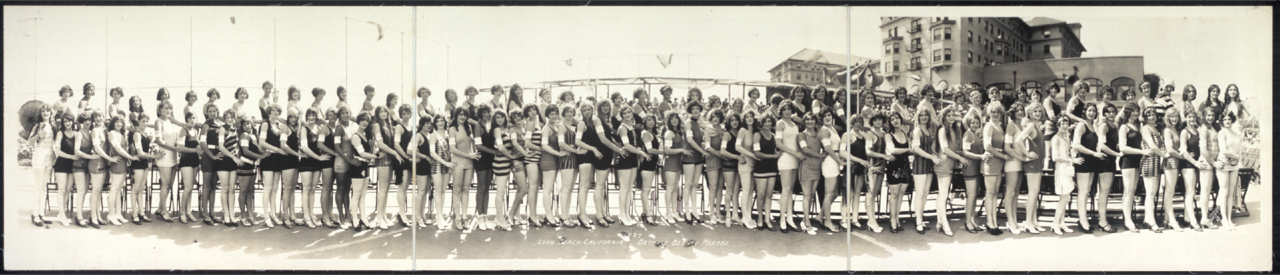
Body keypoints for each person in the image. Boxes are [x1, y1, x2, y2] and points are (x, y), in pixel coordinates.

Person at [298, 107, 332, 228]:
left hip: (316, 163)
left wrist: (320, 157)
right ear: (306, 116)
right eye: (310, 115)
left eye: (314, 115)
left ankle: (311, 214)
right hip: (307, 162)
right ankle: (306, 216)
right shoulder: (304, 128)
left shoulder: (318, 128)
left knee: (313, 190)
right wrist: (319, 158)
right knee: (306, 189)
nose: (311, 118)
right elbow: (304, 147)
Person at [448, 108, 481, 230]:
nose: (462, 117)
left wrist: (472, 154)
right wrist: (468, 155)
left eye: (465, 115)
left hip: (469, 163)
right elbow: (452, 149)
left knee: (466, 190)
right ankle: (457, 218)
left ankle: (465, 217)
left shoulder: (469, 128)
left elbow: (473, 144)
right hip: (458, 162)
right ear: (456, 116)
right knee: (457, 190)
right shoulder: (452, 129)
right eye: (460, 115)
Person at [980, 102, 1009, 235]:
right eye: (993, 112)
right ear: (989, 113)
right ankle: (989, 222)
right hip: (992, 161)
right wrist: (1003, 156)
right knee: (990, 192)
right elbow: (987, 146)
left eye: (997, 112)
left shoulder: (1000, 126)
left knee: (995, 192)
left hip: (1000, 161)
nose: (995, 114)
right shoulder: (988, 126)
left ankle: (994, 221)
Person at [1049, 115, 1081, 235]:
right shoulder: (1056, 138)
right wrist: (1071, 161)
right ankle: (1055, 223)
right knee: (1065, 198)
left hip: (1068, 170)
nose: (1064, 125)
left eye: (1066, 123)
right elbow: (1055, 157)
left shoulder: (1066, 138)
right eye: (1062, 123)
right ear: (1057, 124)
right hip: (1062, 170)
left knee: (1065, 198)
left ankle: (1061, 223)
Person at [615, 106, 647, 226]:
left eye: (629, 112)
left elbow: (633, 144)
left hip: (633, 160)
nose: (628, 114)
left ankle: (627, 214)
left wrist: (638, 149)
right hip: (624, 160)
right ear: (622, 116)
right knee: (624, 188)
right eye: (625, 113)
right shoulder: (622, 128)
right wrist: (641, 152)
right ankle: (622, 214)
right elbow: (627, 145)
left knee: (629, 188)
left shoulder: (631, 127)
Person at [774, 100, 803, 232]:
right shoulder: (780, 123)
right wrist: (794, 153)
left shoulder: (794, 124)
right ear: (781, 110)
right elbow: (778, 144)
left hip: (795, 159)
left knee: (791, 190)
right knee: (785, 190)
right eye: (784, 109)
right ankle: (782, 220)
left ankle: (790, 219)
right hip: (785, 158)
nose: (787, 111)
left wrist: (799, 154)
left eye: (789, 109)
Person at [816, 109, 847, 233]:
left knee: (834, 193)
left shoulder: (833, 129)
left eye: (829, 115)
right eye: (825, 116)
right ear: (821, 118)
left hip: (835, 161)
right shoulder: (824, 130)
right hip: (830, 161)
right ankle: (828, 222)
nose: (827, 117)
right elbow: (828, 149)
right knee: (829, 194)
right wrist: (839, 162)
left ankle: (820, 216)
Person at [1115, 103, 1144, 232]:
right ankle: (1128, 220)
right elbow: (1123, 148)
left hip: (1137, 161)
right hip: (1127, 161)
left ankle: (1128, 217)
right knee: (1128, 190)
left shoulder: (1138, 126)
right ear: (1128, 112)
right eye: (1133, 111)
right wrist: (1141, 152)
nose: (1136, 113)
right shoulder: (1124, 127)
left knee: (1132, 191)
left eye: (1138, 111)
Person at [257, 105, 286, 228]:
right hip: (268, 158)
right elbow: (261, 142)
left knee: (275, 189)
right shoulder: (265, 125)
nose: (275, 112)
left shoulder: (279, 125)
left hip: (278, 159)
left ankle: (273, 214)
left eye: (277, 111)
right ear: (269, 112)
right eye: (273, 110)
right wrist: (277, 149)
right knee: (267, 188)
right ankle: (266, 216)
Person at [1177, 109, 1207, 232]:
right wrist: (1195, 162)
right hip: (1188, 164)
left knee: (1192, 192)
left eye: (1194, 118)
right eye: (1189, 117)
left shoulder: (1198, 131)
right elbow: (1183, 151)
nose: (1192, 120)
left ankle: (1187, 219)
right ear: (1186, 118)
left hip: (1196, 164)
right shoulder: (1185, 132)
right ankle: (1194, 222)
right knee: (1190, 192)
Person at [349, 112, 379, 231]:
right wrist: (376, 156)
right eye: (362, 120)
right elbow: (361, 153)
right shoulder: (356, 136)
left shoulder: (366, 136)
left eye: (367, 120)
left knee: (363, 195)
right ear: (358, 121)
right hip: (358, 166)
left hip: (365, 166)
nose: (365, 122)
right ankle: (355, 219)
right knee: (356, 194)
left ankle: (363, 219)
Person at [214, 110, 245, 227]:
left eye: (231, 117)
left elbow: (237, 146)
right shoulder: (223, 129)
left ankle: (232, 214)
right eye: (227, 117)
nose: (229, 119)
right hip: (224, 161)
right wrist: (233, 157)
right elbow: (221, 147)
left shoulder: (236, 130)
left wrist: (238, 157)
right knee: (225, 189)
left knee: (232, 189)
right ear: (224, 118)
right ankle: (226, 215)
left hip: (233, 162)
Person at [104, 116, 136, 225]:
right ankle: (111, 215)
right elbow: (118, 148)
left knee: (119, 189)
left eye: (121, 122)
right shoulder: (112, 133)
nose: (119, 124)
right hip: (117, 163)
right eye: (116, 122)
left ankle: (118, 213)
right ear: (113, 123)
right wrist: (130, 157)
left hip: (123, 163)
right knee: (114, 189)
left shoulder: (121, 134)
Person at [1138, 107, 1166, 233]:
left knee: (1153, 193)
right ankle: (1152, 222)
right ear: (1145, 117)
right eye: (1148, 114)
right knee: (1150, 193)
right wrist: (1165, 156)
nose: (1151, 116)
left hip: (1156, 162)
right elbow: (1153, 146)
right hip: (1149, 161)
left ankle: (1146, 219)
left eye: (1153, 114)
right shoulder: (1145, 128)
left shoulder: (1156, 129)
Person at [751, 115, 781, 231]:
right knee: (761, 194)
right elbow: (757, 153)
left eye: (769, 121)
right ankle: (759, 219)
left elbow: (776, 151)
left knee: (769, 195)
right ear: (761, 123)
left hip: (772, 169)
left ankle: (767, 220)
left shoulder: (773, 136)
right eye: (765, 122)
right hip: (761, 169)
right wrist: (773, 156)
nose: (767, 124)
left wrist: (775, 156)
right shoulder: (757, 135)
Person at [796, 112, 824, 235]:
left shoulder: (819, 134)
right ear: (804, 122)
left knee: (811, 195)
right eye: (807, 120)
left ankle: (804, 220)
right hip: (806, 166)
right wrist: (820, 155)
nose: (810, 122)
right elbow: (805, 149)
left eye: (812, 119)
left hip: (817, 167)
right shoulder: (801, 135)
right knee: (807, 195)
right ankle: (807, 224)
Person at [29, 105, 57, 226]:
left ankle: (42, 213)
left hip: (49, 157)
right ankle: (35, 214)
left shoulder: (53, 126)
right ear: (40, 113)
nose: (45, 113)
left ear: (51, 113)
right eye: (43, 110)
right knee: (38, 185)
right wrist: (38, 135)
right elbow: (30, 141)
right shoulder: (37, 126)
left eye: (48, 110)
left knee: (44, 186)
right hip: (39, 156)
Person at [1214, 112, 1242, 231]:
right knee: (1224, 191)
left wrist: (1238, 159)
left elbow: (1239, 148)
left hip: (1234, 164)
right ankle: (1223, 218)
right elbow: (1224, 150)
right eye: (1224, 119)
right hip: (1224, 163)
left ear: (1232, 120)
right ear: (1222, 121)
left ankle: (1230, 218)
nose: (1227, 121)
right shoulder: (1221, 132)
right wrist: (1236, 156)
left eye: (1229, 119)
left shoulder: (1236, 133)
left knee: (1231, 192)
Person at [958, 112, 985, 233]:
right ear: (968, 123)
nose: (975, 124)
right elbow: (965, 152)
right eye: (972, 122)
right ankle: (968, 222)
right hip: (970, 168)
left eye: (977, 122)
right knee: (971, 196)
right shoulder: (967, 134)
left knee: (974, 197)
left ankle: (973, 220)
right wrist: (981, 157)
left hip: (978, 168)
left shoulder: (977, 134)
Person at [53, 111, 80, 227]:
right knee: (62, 189)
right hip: (62, 164)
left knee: (68, 190)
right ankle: (62, 215)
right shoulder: (60, 133)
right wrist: (71, 156)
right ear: (63, 123)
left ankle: (61, 213)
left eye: (69, 120)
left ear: (73, 121)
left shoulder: (76, 133)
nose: (67, 123)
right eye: (65, 121)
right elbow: (57, 151)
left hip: (72, 165)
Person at [1196, 108, 1220, 229]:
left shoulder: (1213, 128)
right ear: (1204, 116)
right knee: (1205, 192)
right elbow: (1203, 149)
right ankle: (1204, 218)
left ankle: (1208, 216)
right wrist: (1213, 163)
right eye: (1208, 115)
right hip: (1207, 162)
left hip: (1213, 163)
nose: (1210, 117)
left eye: (1212, 115)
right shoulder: (1204, 129)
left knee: (1208, 191)